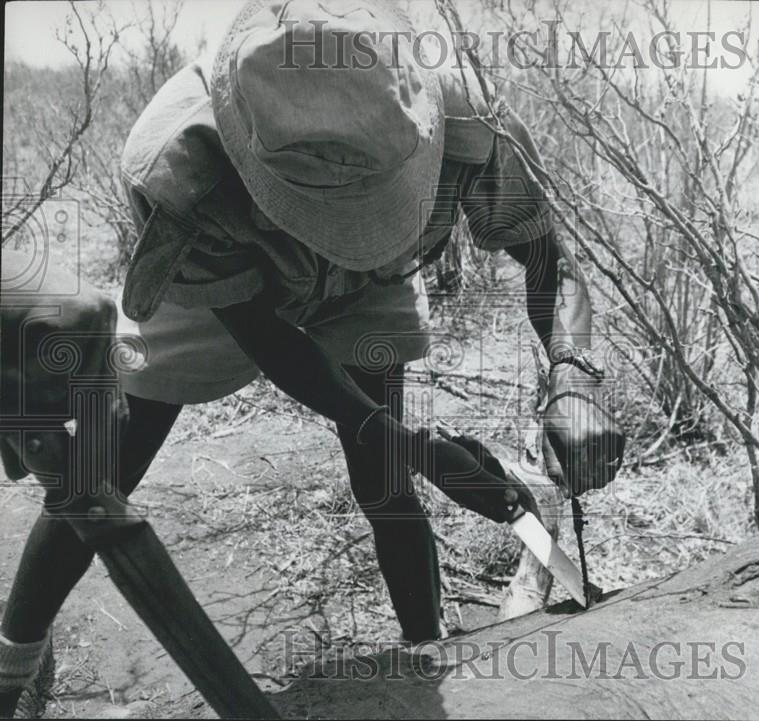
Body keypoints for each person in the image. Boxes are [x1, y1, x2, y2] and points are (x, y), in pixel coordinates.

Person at [0, 0, 624, 709]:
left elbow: (546, 257)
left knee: (383, 482)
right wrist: (412, 441)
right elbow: (269, 340)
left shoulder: (468, 125)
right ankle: (14, 660)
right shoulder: (179, 164)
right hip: (228, 291)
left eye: (372, 204)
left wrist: (573, 377)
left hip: (374, 285)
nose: (343, 233)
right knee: (104, 465)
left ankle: (427, 659)